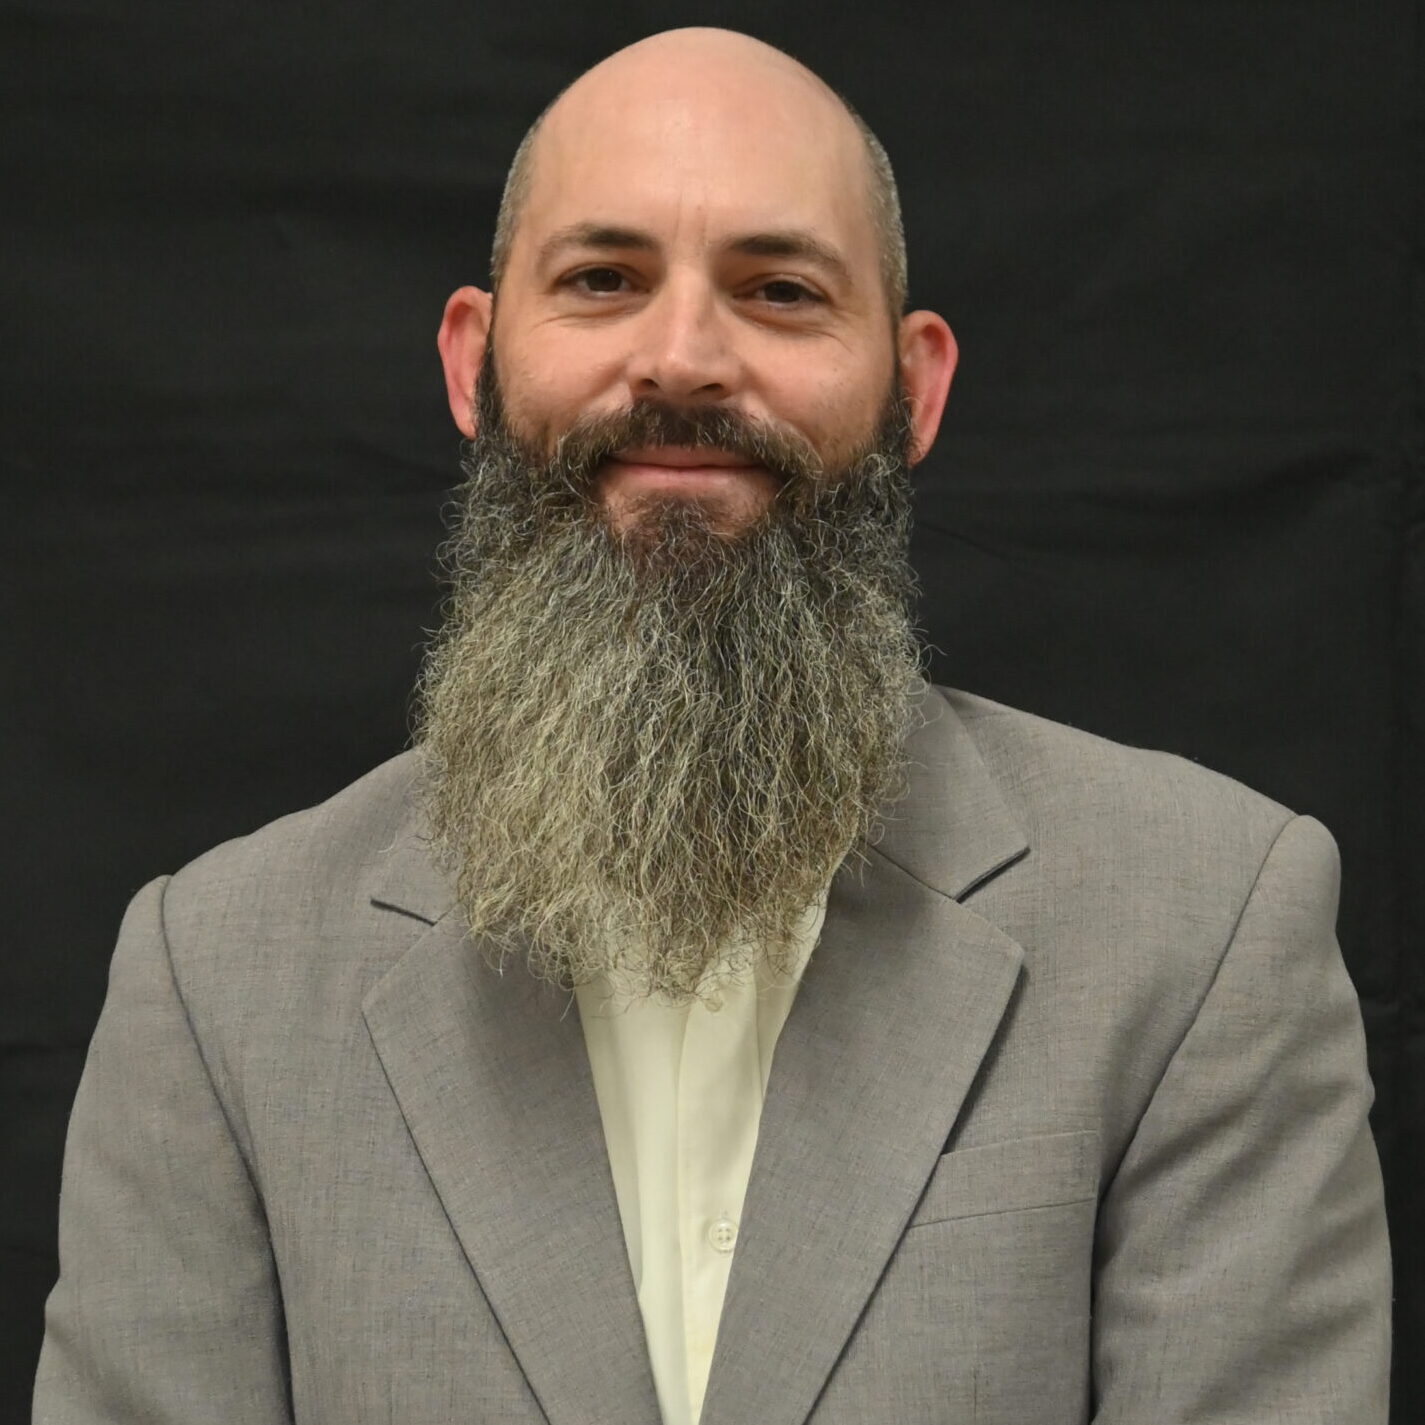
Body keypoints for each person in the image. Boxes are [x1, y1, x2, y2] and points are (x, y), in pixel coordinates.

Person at [33, 26, 1390, 1425]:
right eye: (602, 279)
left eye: (780, 289)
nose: (680, 359)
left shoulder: (1204, 927)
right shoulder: (217, 976)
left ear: (911, 388)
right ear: (473, 360)